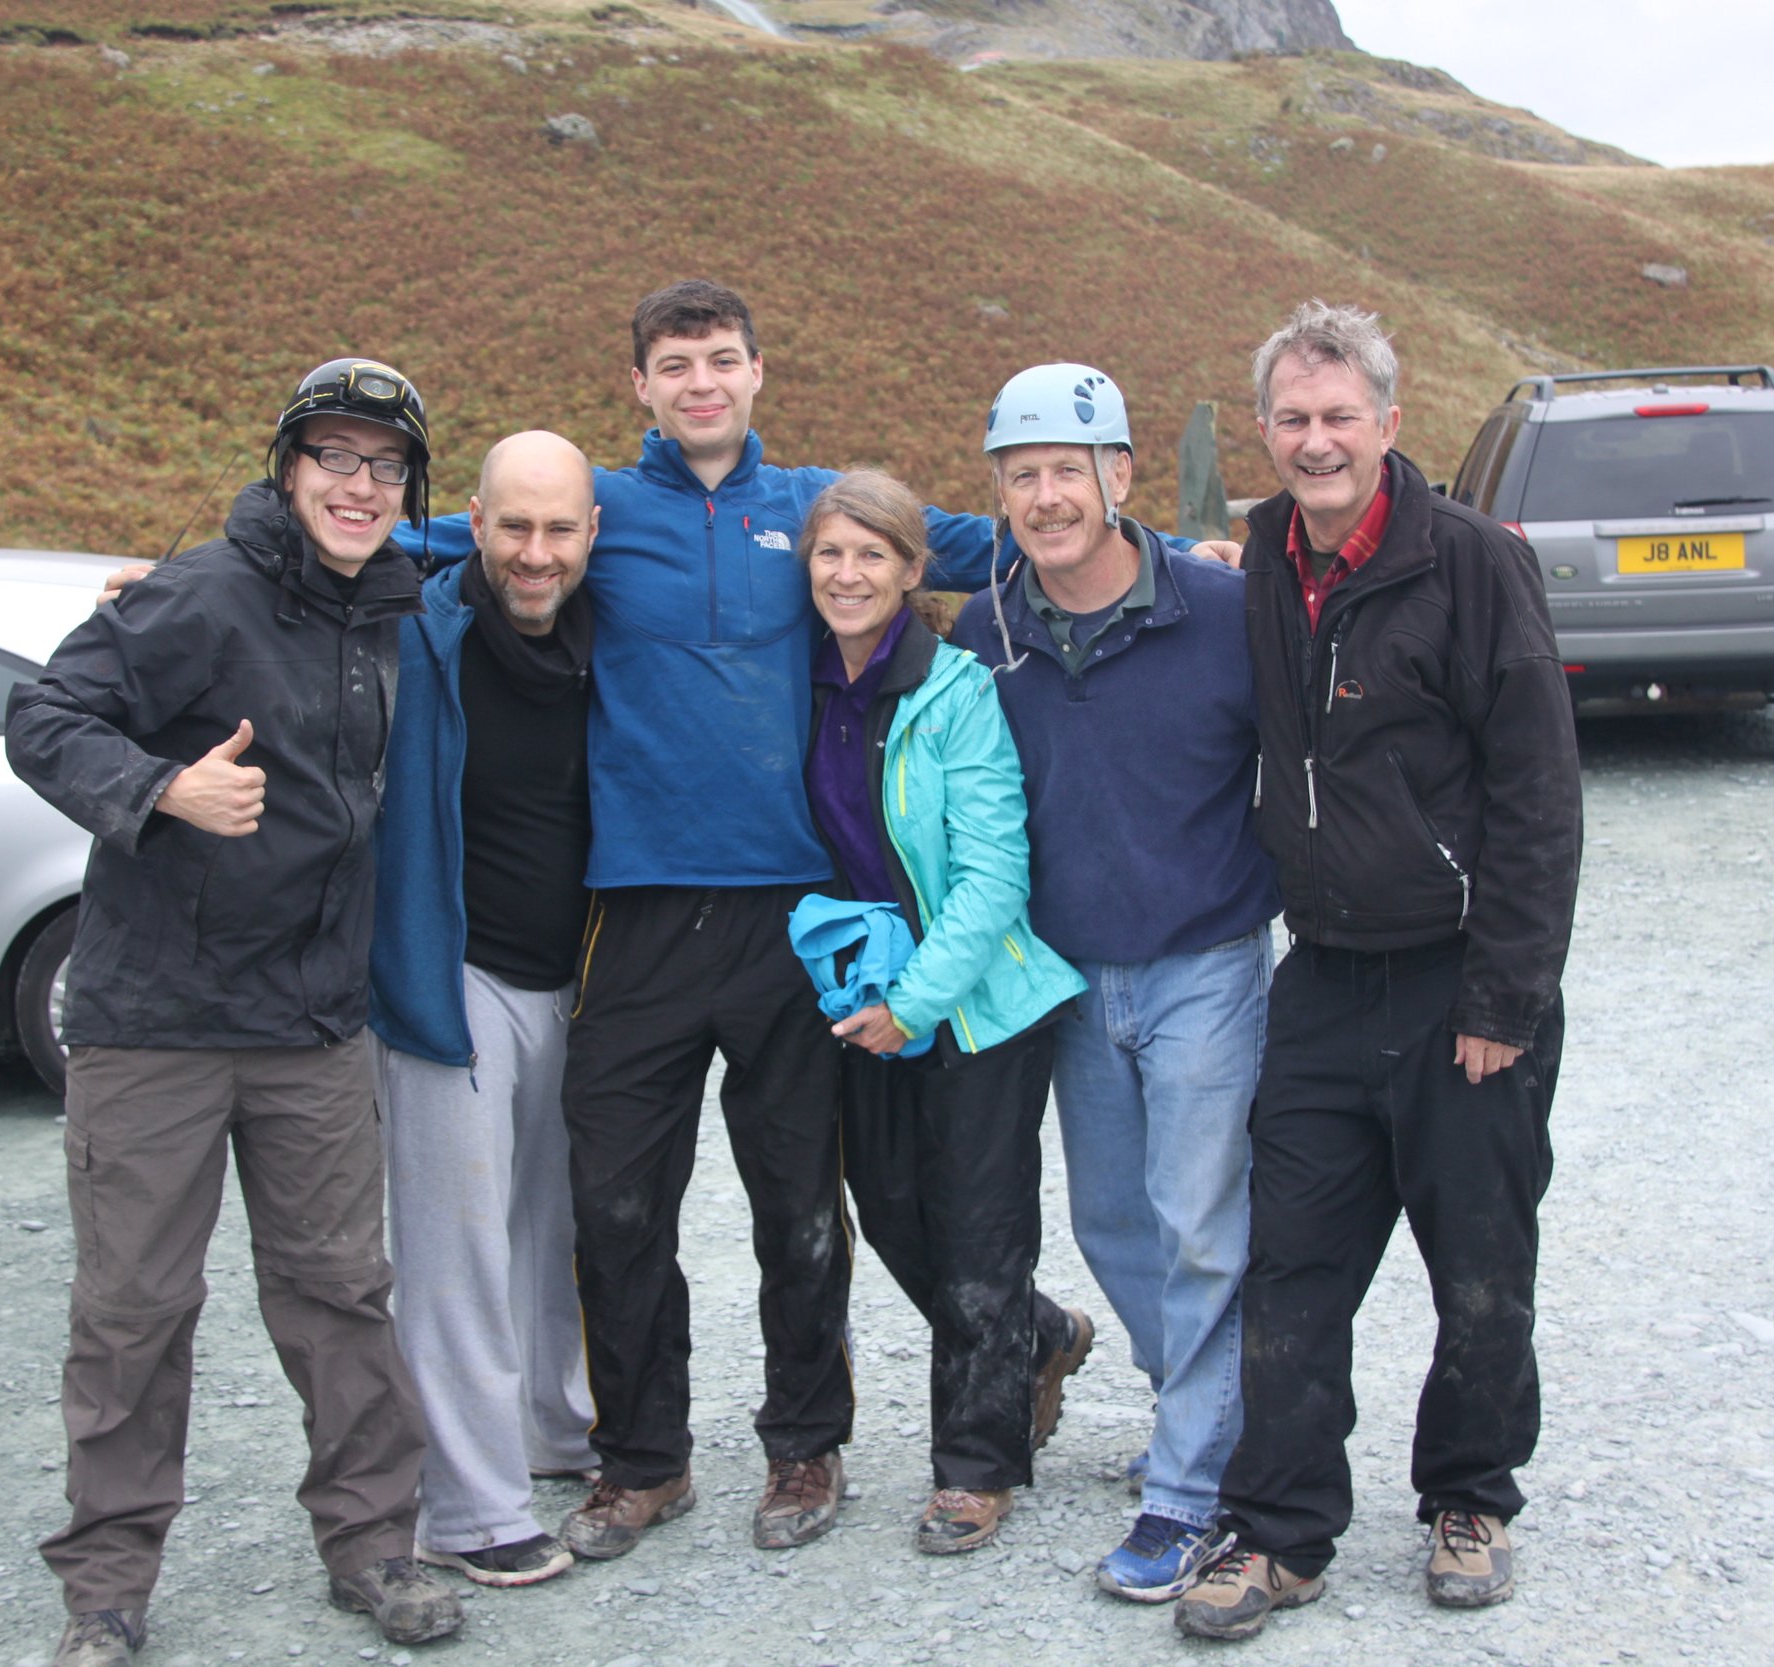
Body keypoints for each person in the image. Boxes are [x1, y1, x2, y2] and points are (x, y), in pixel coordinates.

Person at [390, 282, 1153, 1559]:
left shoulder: (809, 508)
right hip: (630, 915)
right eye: (674, 364)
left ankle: (805, 1448)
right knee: (616, 1203)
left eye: (722, 360)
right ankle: (644, 1459)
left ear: (757, 373)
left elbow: (974, 538)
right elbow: (441, 550)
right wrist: (251, 545)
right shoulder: (601, 507)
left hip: (792, 922)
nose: (700, 382)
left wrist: (1180, 549)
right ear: (639, 384)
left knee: (798, 1203)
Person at [6, 359, 458, 1667]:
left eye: (385, 464)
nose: (360, 482)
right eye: (337, 456)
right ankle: (106, 1584)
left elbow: (512, 561)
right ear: (288, 468)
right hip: (157, 1020)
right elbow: (44, 714)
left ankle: (373, 1542)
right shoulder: (202, 592)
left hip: (313, 1023)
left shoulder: (393, 605)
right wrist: (158, 789)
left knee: (341, 1294)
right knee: (134, 1305)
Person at [1173, 301, 1582, 1641]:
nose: (1315, 439)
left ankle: (1471, 1493)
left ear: (1389, 423)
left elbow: (1538, 793)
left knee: (1479, 1263)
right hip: (1325, 977)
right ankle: (1280, 1528)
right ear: (1268, 430)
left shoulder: (1471, 562)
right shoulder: (1262, 562)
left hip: (1462, 983)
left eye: (1340, 414)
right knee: (1292, 1268)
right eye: (1292, 417)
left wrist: (1504, 1000)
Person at [948, 364, 1281, 1603]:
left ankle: (1191, 1488)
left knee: (1201, 1226)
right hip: (1069, 976)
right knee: (1114, 1224)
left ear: (1120, 477)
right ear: (998, 488)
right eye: (1021, 474)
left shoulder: (1218, 610)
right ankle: (1210, 1417)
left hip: (1204, 963)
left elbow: (1311, 750)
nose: (1045, 496)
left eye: (1067, 471)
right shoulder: (986, 627)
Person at [789, 470, 1090, 1555]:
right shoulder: (801, 682)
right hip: (864, 996)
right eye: (829, 553)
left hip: (976, 1005)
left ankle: (974, 1466)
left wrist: (914, 1002)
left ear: (915, 571)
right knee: (894, 1215)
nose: (848, 574)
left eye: (873, 554)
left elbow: (992, 876)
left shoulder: (954, 690)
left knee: (976, 1235)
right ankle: (1040, 1332)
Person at [368, 430, 604, 1589]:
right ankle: (467, 1506)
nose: (535, 552)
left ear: (591, 533)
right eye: (513, 525)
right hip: (448, 974)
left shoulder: (608, 626)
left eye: (559, 528)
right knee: (454, 1245)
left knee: (552, 1229)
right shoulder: (417, 625)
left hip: (579, 978)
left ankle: (558, 1427)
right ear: (472, 521)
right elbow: (313, 550)